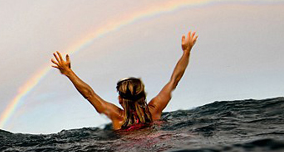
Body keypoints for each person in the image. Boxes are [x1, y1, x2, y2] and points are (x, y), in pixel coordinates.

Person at [51, 31, 198, 130]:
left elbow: (89, 94)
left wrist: (68, 72)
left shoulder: (116, 116)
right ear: (143, 95)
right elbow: (175, 80)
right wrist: (186, 51)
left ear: (120, 99)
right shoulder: (155, 109)